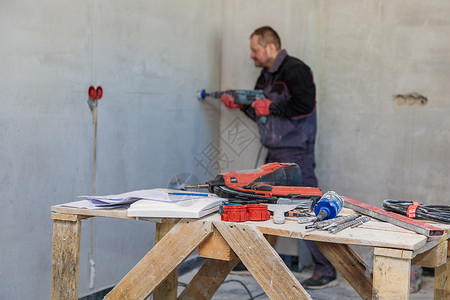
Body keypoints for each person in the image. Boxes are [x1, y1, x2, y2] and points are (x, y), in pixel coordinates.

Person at [220, 26, 337, 289]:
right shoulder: (264, 77)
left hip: (297, 152)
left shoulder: (297, 70)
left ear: (270, 47)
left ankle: (326, 268)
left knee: (309, 208)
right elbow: (260, 113)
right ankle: (254, 259)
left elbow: (304, 104)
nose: (252, 55)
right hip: (274, 151)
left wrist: (271, 106)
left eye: (255, 49)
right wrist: (240, 105)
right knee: (263, 205)